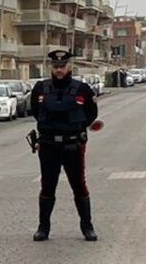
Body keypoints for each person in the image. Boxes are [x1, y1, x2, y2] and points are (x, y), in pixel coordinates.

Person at [30, 50, 99, 242]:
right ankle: (43, 228)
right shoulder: (41, 89)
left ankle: (87, 226)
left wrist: (73, 128)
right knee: (47, 186)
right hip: (48, 144)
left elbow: (91, 114)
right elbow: (35, 111)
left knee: (79, 185)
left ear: (70, 67)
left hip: (72, 145)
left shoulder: (82, 89)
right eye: (55, 66)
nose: (59, 70)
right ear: (51, 67)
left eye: (62, 66)